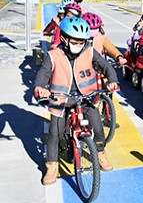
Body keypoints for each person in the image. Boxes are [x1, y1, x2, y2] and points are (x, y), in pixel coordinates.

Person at [34, 17, 119, 185]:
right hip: (60, 100)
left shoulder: (89, 51)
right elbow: (43, 75)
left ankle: (100, 153)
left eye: (82, 41)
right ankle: (52, 166)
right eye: (75, 41)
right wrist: (40, 88)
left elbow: (105, 66)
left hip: (86, 98)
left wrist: (112, 80)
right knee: (54, 133)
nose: (79, 44)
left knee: (98, 127)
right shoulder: (53, 55)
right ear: (64, 39)